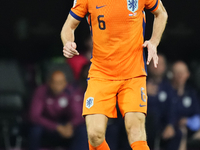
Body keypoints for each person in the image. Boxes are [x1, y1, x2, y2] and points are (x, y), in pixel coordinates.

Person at [61, 0, 168, 149]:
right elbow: (68, 26)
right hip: (101, 74)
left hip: (133, 73)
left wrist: (154, 41)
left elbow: (161, 13)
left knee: (135, 131)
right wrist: (67, 42)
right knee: (95, 135)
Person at [29, 70, 85, 150]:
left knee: (83, 130)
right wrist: (57, 127)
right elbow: (34, 116)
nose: (57, 86)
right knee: (35, 130)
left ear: (66, 83)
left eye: (60, 83)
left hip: (67, 125)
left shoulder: (73, 92)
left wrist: (70, 125)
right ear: (49, 82)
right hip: (47, 125)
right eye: (54, 82)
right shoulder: (41, 91)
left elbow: (79, 114)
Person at [146, 54, 182, 150]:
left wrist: (170, 125)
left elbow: (173, 109)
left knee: (177, 133)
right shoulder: (140, 83)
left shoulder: (168, 87)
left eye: (160, 63)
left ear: (165, 67)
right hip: (142, 124)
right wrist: (142, 91)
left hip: (161, 126)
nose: (156, 65)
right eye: (153, 62)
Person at [170, 61, 200, 150]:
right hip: (172, 130)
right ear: (172, 74)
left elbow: (198, 117)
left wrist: (188, 121)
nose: (180, 75)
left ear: (188, 74)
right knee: (181, 132)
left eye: (182, 73)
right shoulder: (167, 92)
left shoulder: (191, 93)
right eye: (177, 72)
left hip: (190, 131)